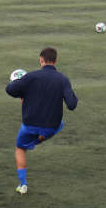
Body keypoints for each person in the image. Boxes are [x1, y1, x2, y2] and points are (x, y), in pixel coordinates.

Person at [5, 47, 78, 194]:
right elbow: (72, 105)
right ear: (56, 61)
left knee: (20, 149)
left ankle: (23, 185)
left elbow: (10, 89)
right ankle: (36, 141)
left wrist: (22, 95)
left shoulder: (31, 77)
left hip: (29, 125)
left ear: (41, 60)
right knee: (60, 125)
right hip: (51, 126)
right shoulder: (63, 79)